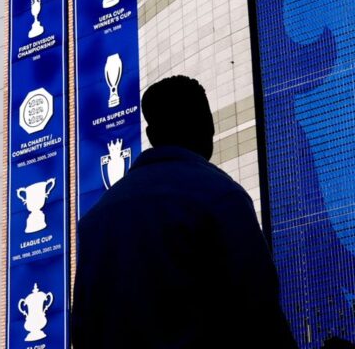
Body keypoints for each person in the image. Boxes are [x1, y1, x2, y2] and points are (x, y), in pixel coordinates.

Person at [71, 75, 295, 348]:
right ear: (207, 124)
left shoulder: (96, 220)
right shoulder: (220, 196)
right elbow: (261, 311)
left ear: (152, 136)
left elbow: (82, 328)